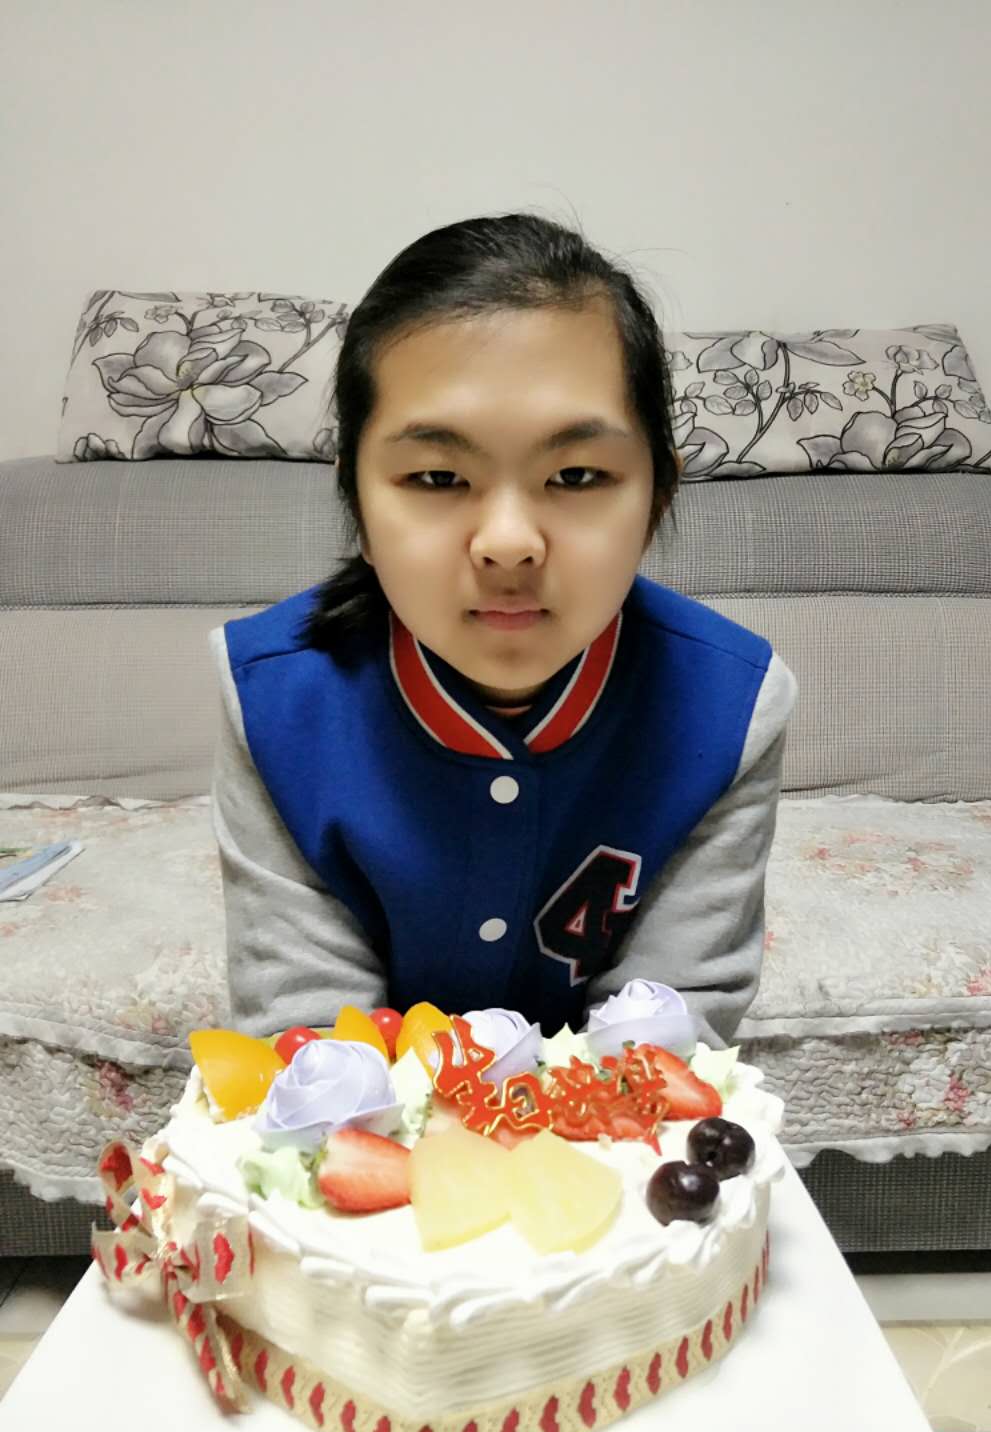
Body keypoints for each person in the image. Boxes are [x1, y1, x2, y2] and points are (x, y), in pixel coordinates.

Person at [210, 211, 797, 1046]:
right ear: (358, 506)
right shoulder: (271, 698)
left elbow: (671, 1037)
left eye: (578, 475)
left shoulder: (732, 707)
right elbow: (311, 1049)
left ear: (657, 496)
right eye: (437, 477)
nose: (510, 543)